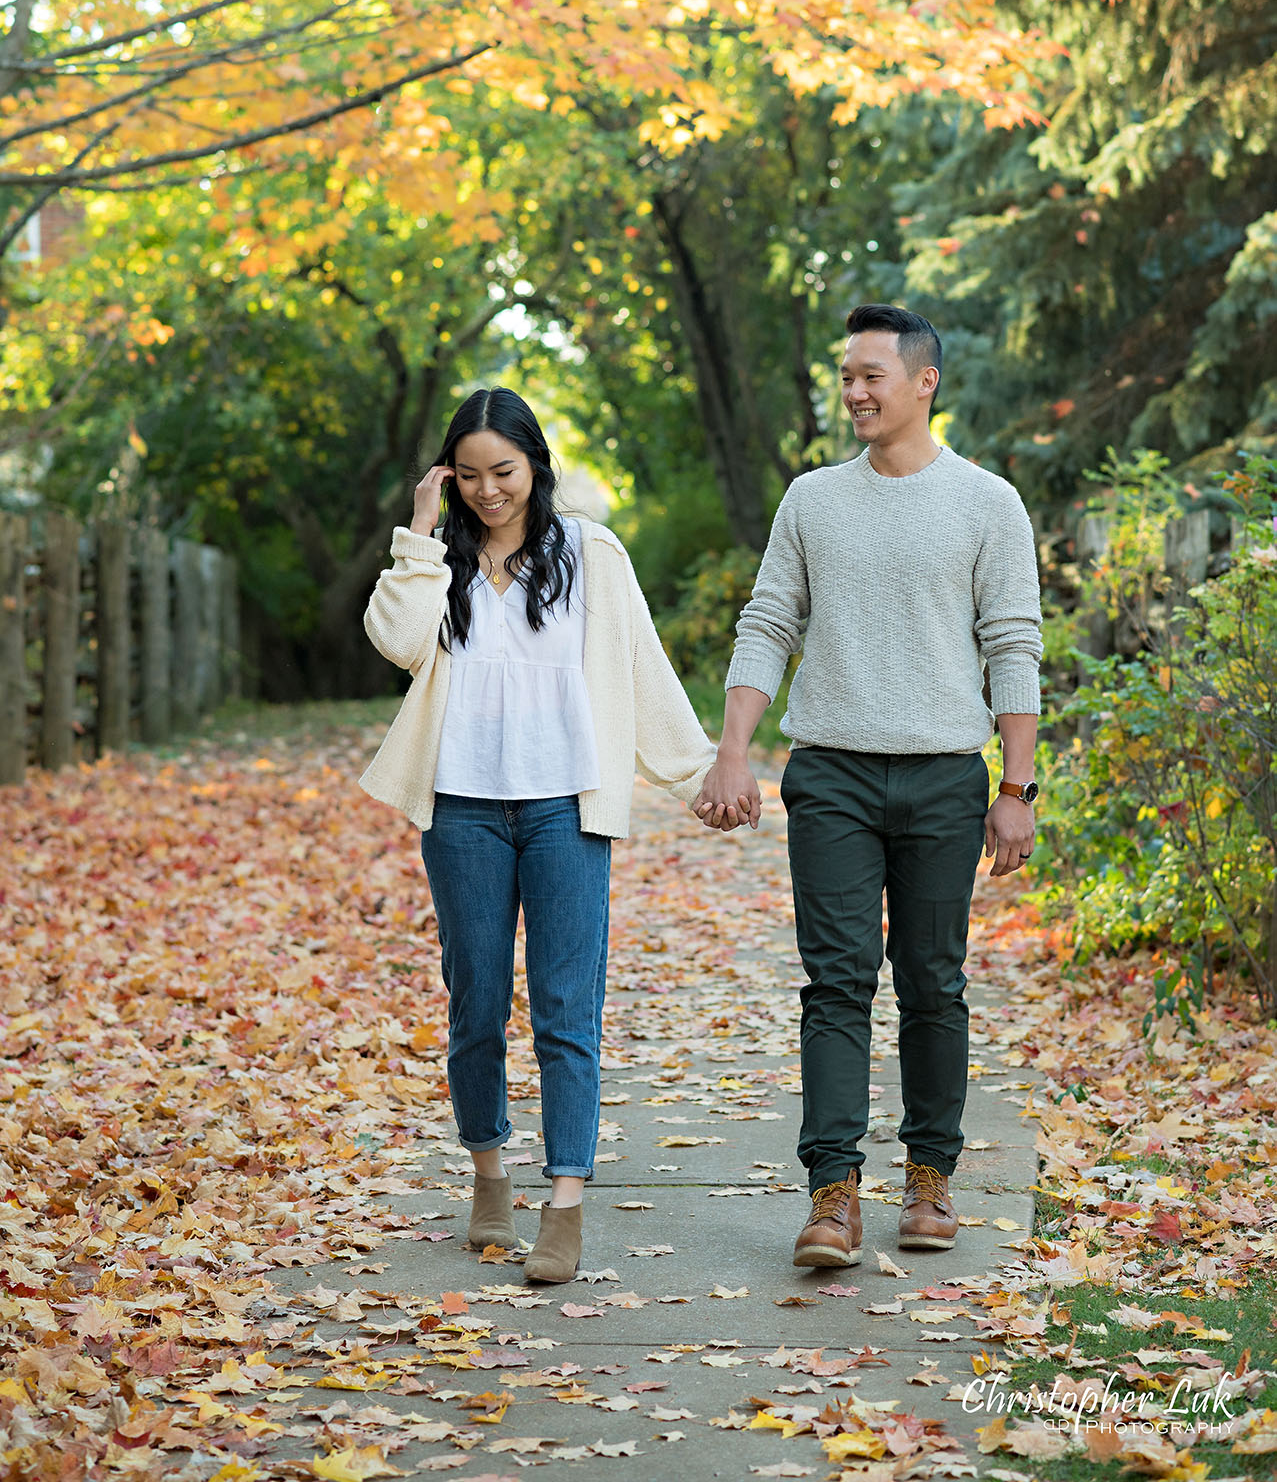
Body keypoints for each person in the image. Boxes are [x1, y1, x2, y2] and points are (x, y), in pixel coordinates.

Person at [695, 304, 1042, 1269]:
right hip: (832, 773)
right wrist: (733, 747)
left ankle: (930, 1179)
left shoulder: (987, 503)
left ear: (922, 381)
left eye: (869, 375)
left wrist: (1015, 786)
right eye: (844, 375)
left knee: (933, 983)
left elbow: (1012, 644)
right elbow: (768, 622)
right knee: (835, 985)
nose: (852, 390)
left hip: (941, 775)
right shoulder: (811, 499)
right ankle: (833, 1194)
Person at [360, 387, 716, 1284]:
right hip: (461, 808)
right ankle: (487, 1175)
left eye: (504, 472)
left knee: (566, 1009)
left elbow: (643, 668)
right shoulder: (435, 559)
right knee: (475, 1002)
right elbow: (396, 643)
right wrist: (418, 526)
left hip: (564, 808)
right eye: (470, 475)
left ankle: (563, 1204)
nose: (489, 492)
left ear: (536, 466)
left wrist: (699, 772)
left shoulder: (590, 553)